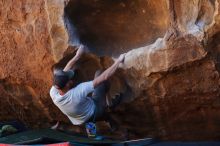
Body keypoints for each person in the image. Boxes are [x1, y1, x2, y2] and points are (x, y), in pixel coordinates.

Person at [49, 45, 125, 135]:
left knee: (88, 116)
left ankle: (92, 135)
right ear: (67, 84)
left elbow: (65, 71)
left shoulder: (53, 92)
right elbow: (104, 77)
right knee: (99, 73)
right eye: (69, 80)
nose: (71, 79)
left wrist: (77, 56)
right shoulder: (78, 91)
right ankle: (110, 108)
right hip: (97, 111)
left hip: (80, 120)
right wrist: (118, 61)